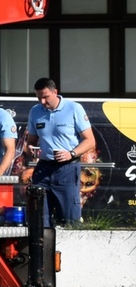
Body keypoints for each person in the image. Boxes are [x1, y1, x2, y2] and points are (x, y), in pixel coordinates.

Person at [24, 77, 95, 226]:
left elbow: (90, 141)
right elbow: (31, 141)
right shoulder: (35, 111)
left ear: (55, 92)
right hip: (43, 169)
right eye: (38, 98)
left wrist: (72, 153)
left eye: (45, 97)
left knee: (70, 219)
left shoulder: (74, 108)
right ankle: (42, 248)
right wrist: (30, 148)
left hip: (67, 169)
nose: (42, 102)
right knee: (39, 219)